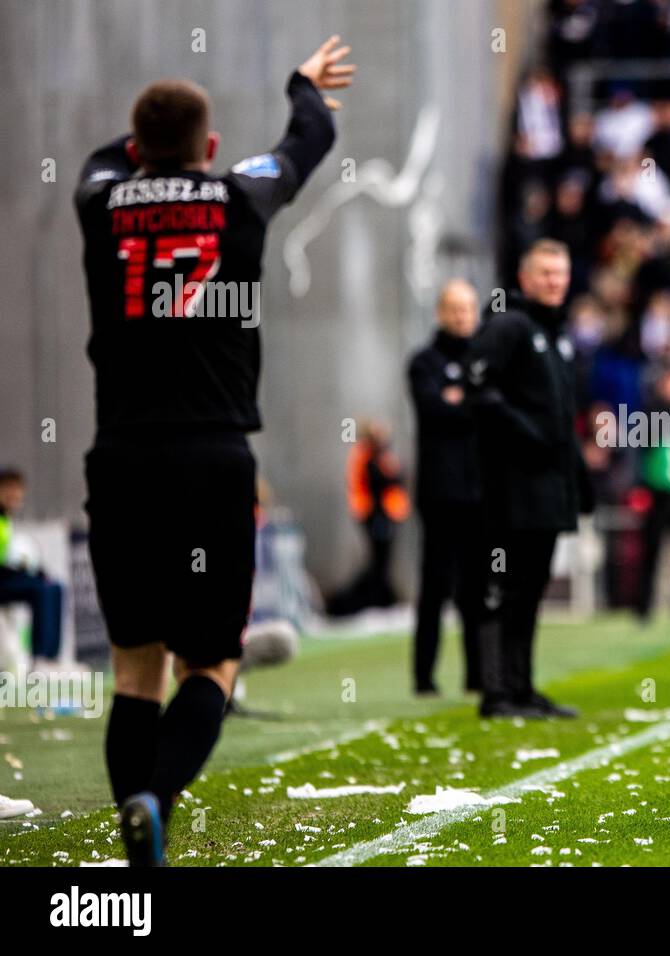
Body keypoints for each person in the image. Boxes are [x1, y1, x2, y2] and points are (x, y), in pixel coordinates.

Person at [74, 36, 353, 866]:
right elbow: (310, 143)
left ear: (135, 147)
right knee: (213, 662)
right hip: (211, 459)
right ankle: (154, 802)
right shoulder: (238, 195)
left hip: (119, 456)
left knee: (134, 668)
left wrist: (146, 155)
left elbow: (102, 161)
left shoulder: (98, 197)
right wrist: (300, 86)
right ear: (212, 147)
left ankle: (136, 833)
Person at [467, 239, 590, 718]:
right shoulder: (510, 325)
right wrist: (526, 434)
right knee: (505, 586)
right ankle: (497, 692)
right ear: (524, 277)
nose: (554, 281)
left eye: (560, 273)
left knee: (531, 587)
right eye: (545, 273)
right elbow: (476, 386)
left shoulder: (555, 332)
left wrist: (578, 478)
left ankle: (521, 687)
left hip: (547, 490)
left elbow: (562, 418)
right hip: (510, 488)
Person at [408, 279, 486, 694]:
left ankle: (476, 675)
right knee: (434, 586)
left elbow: (485, 406)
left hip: (477, 491)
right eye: (455, 309)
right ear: (441, 312)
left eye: (468, 309)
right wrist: (463, 403)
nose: (462, 317)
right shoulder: (424, 361)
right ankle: (423, 677)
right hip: (439, 492)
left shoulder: (483, 360)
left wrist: (463, 400)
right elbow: (433, 409)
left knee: (475, 589)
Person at [327, 420, 410, 615]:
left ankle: (382, 599)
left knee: (382, 561)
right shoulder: (367, 455)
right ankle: (370, 601)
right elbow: (384, 479)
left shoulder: (381, 455)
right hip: (374, 514)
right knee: (378, 561)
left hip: (386, 513)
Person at [0, 469, 64, 661]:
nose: (16, 496)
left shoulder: (6, 519)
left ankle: (52, 657)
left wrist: (34, 571)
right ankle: (40, 656)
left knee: (54, 587)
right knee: (41, 590)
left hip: (6, 577)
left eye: (19, 491)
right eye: (10, 490)